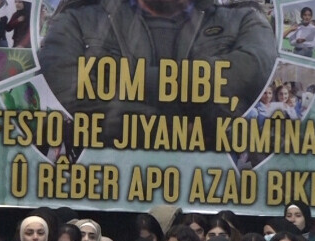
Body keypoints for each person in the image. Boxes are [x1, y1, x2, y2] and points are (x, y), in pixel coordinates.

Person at [39, 0, 276, 149]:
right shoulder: (76, 20)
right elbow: (68, 94)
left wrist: (133, 80)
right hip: (105, 182)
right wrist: (181, 126)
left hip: (212, 184)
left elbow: (253, 74)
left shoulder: (242, 19)